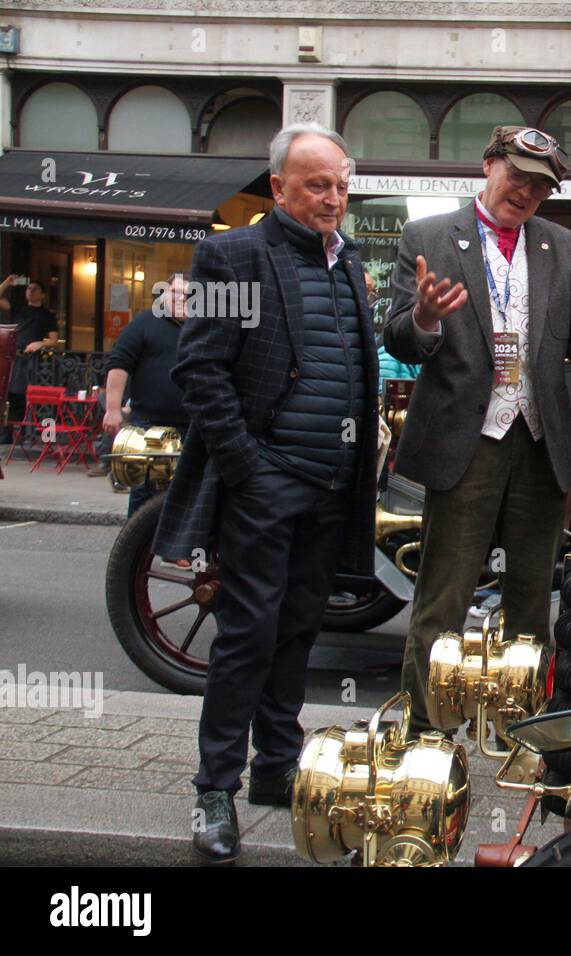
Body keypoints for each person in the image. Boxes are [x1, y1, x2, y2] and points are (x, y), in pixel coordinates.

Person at [384, 125, 571, 737]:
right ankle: (422, 732)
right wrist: (425, 318)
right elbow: (398, 338)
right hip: (466, 442)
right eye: (518, 174)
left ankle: (523, 733)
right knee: (444, 599)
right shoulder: (428, 236)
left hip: (540, 446)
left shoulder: (562, 248)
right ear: (489, 164)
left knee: (532, 603)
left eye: (541, 185)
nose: (527, 190)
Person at [153, 122, 378, 863]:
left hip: (331, 484)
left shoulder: (348, 265)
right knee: (247, 636)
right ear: (278, 186)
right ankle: (214, 789)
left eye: (342, 184)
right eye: (317, 184)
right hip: (266, 482)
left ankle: (277, 768)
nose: (333, 198)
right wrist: (249, 467)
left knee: (297, 632)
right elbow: (202, 372)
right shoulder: (234, 253)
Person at [96, 272, 190, 510]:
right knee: (145, 492)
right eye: (175, 292)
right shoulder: (144, 323)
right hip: (149, 424)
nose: (181, 298)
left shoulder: (206, 327)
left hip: (195, 425)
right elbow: (118, 365)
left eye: (188, 294)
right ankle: (137, 546)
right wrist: (113, 409)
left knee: (189, 492)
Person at [2, 277, 58, 436]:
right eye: (28, 288)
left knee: (26, 395)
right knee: (9, 395)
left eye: (34, 289)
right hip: (13, 357)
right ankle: (7, 435)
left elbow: (54, 340)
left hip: (32, 361)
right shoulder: (19, 308)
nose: (30, 291)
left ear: (43, 295)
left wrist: (40, 344)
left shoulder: (46, 315)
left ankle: (29, 434)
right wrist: (7, 282)